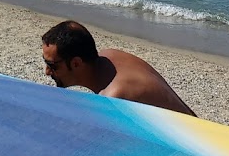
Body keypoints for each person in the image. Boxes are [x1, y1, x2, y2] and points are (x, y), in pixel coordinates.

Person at [40, 20, 194, 116]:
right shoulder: (108, 56)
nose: (47, 72)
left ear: (76, 63)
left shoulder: (114, 97)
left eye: (52, 65)